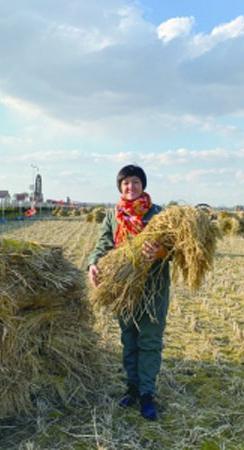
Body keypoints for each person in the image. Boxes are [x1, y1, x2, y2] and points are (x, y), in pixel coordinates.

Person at [87, 165, 170, 421]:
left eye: (135, 182)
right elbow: (103, 243)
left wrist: (162, 252)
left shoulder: (158, 215)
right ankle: (132, 389)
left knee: (149, 340)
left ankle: (147, 394)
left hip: (152, 289)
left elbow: (177, 248)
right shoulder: (114, 215)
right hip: (123, 289)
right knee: (129, 339)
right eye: (125, 183)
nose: (130, 187)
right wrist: (93, 263)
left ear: (143, 185)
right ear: (120, 187)